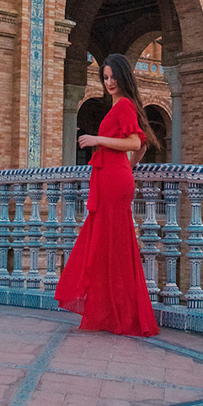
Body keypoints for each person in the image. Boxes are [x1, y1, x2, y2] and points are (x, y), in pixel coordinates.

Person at [54, 53, 159, 337]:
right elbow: (142, 147)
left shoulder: (124, 105)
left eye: (113, 77)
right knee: (109, 246)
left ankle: (119, 315)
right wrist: (126, 165)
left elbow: (136, 141)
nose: (109, 82)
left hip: (114, 182)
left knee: (112, 246)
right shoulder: (119, 106)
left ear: (123, 77)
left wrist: (98, 141)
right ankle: (112, 313)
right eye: (105, 77)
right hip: (112, 178)